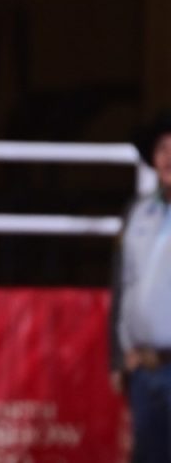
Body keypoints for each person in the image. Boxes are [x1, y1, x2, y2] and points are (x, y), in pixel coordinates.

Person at [112, 110, 171, 463]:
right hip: (145, 370)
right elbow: (123, 285)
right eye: (163, 148)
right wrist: (119, 356)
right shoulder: (138, 212)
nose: (169, 158)